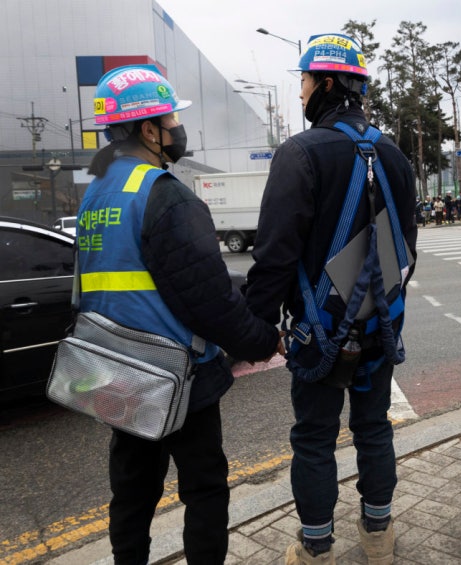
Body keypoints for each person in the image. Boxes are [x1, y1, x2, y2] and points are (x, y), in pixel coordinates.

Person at [78, 65, 284, 564]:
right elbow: (208, 301)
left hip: (117, 375)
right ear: (149, 130)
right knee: (205, 489)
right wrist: (263, 339)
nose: (177, 129)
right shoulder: (165, 194)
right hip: (178, 376)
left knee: (132, 495)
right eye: (170, 119)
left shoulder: (95, 196)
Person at [243, 34, 417, 565]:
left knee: (315, 438)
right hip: (380, 326)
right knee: (373, 426)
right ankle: (378, 536)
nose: (298, 93)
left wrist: (253, 330)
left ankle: (317, 546)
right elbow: (406, 248)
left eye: (301, 81)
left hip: (318, 332)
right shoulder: (396, 157)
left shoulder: (299, 154)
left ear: (323, 83)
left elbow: (274, 255)